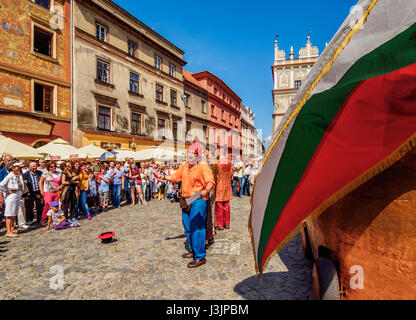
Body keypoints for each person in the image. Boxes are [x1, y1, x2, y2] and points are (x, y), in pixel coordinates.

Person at [164, 140, 215, 268]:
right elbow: (175, 177)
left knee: (197, 227)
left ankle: (200, 256)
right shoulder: (185, 165)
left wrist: (204, 192)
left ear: (198, 154)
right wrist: (161, 176)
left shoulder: (202, 166)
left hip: (198, 198)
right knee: (187, 226)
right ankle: (193, 249)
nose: (188, 155)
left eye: (191, 153)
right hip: (186, 199)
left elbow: (210, 182)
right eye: (188, 153)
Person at [0, 161, 25, 237]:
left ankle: (12, 228)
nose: (19, 167)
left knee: (14, 213)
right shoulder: (10, 175)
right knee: (9, 214)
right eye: (17, 166)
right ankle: (8, 231)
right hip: (11, 197)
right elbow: (1, 185)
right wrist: (7, 191)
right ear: (12, 168)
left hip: (17, 195)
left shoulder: (19, 175)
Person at [39, 162, 63, 226]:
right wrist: (41, 190)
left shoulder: (59, 173)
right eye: (51, 167)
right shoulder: (45, 173)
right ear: (48, 167)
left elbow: (61, 182)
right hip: (48, 192)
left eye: (54, 166)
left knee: (55, 207)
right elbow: (40, 182)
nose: (53, 168)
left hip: (56, 192)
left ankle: (53, 219)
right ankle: (43, 219)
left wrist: (60, 187)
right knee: (47, 206)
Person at [215, 151, 234, 230]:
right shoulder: (230, 163)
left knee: (219, 206)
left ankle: (220, 224)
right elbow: (232, 175)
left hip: (219, 186)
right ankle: (226, 224)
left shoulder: (217, 163)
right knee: (226, 205)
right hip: (227, 186)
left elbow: (214, 175)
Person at [23, 161, 44, 225]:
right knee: (29, 207)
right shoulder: (25, 174)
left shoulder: (40, 173)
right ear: (29, 167)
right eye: (33, 166)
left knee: (40, 205)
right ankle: (30, 219)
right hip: (30, 192)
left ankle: (40, 218)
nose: (35, 167)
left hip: (38, 191)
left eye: (36, 166)